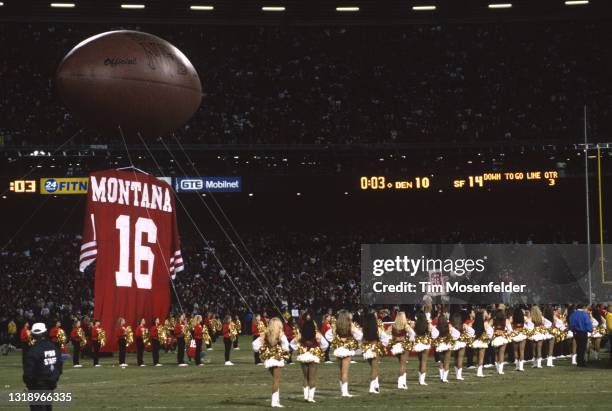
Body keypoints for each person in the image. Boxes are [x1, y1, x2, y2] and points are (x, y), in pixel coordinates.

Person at [22, 323, 63, 411]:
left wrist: (29, 385)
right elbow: (59, 366)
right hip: (51, 384)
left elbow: (28, 373)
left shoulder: (32, 351)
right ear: (45, 332)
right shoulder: (54, 347)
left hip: (37, 386)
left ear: (33, 335)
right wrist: (54, 380)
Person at [290, 314, 328, 403]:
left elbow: (292, 344)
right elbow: (325, 345)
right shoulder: (317, 334)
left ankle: (305, 397)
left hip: (303, 355)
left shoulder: (300, 335)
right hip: (313, 355)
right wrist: (320, 349)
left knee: (305, 377)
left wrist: (299, 348)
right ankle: (311, 397)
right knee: (312, 377)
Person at [252, 317, 290, 408]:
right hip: (277, 359)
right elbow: (286, 347)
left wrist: (262, 339)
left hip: (269, 359)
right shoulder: (280, 335)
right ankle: (274, 402)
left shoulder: (265, 334)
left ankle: (276, 400)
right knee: (276, 381)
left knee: (275, 380)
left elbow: (255, 346)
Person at [325, 310, 363, 397]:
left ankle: (342, 390)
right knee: (345, 372)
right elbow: (360, 336)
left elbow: (327, 335)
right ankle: (345, 392)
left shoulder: (336, 326)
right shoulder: (351, 326)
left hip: (338, 349)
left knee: (341, 371)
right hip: (347, 350)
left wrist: (335, 341)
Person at [361, 312, 390, 393]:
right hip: (374, 349)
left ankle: (376, 386)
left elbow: (361, 339)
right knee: (374, 369)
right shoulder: (377, 329)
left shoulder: (364, 329)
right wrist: (381, 345)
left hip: (367, 350)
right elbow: (386, 339)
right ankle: (371, 387)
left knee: (373, 368)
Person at [390, 311, 415, 389]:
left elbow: (386, 334)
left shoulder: (393, 325)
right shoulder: (405, 325)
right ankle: (400, 384)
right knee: (403, 365)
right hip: (403, 345)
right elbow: (413, 333)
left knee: (401, 363)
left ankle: (403, 383)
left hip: (395, 346)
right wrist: (410, 340)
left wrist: (394, 339)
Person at [412, 311, 433, 385]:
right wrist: (429, 322)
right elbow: (431, 332)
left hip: (417, 343)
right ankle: (422, 381)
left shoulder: (416, 324)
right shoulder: (427, 324)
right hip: (425, 343)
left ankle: (420, 379)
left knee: (420, 361)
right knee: (424, 362)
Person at [470, 310, 492, 377]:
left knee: (477, 357)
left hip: (476, 341)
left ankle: (478, 370)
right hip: (482, 341)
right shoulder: (485, 323)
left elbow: (471, 332)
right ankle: (479, 372)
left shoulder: (473, 323)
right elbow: (489, 332)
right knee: (481, 357)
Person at [432, 313, 452, 383]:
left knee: (441, 361)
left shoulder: (436, 327)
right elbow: (456, 334)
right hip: (447, 344)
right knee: (446, 362)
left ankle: (441, 377)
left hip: (440, 345)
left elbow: (433, 336)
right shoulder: (449, 327)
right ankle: (444, 378)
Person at [491, 309, 509, 375]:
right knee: (502, 353)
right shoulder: (505, 320)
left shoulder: (493, 320)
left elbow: (490, 329)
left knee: (496, 354)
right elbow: (509, 329)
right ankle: (500, 371)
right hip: (503, 338)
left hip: (495, 338)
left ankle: (497, 369)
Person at [511, 307, 527, 372]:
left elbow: (511, 325)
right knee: (522, 351)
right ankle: (521, 367)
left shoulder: (513, 318)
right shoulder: (524, 318)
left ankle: (517, 366)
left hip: (515, 335)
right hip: (522, 334)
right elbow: (528, 325)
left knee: (515, 351)